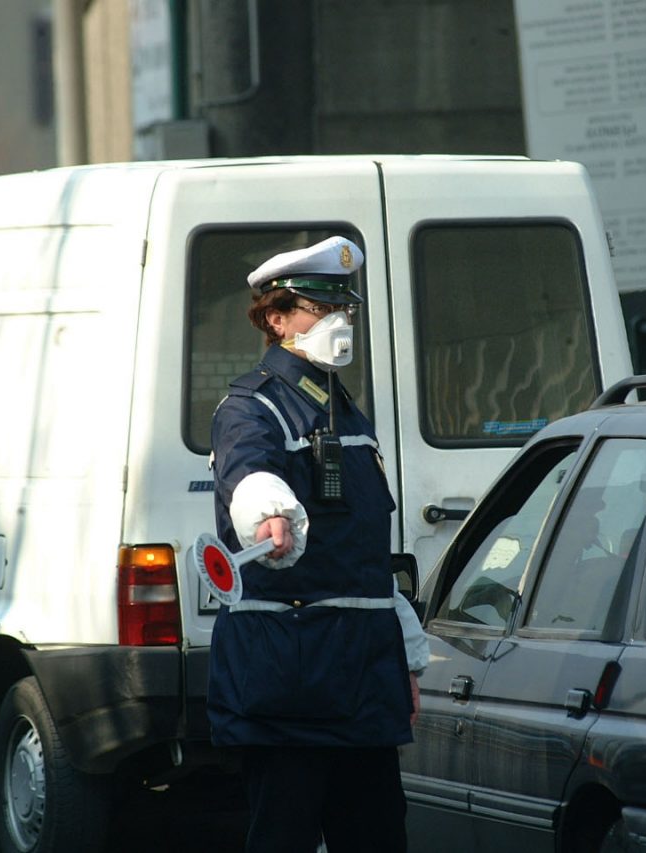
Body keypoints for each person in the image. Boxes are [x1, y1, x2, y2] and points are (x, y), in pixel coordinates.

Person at [208, 235, 429, 853]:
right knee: (283, 838)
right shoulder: (251, 406)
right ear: (276, 319)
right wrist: (268, 514)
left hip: (359, 681)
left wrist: (405, 657)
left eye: (346, 306)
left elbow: (361, 555)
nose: (339, 319)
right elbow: (247, 473)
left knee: (380, 838)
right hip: (292, 683)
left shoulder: (343, 411)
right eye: (321, 306)